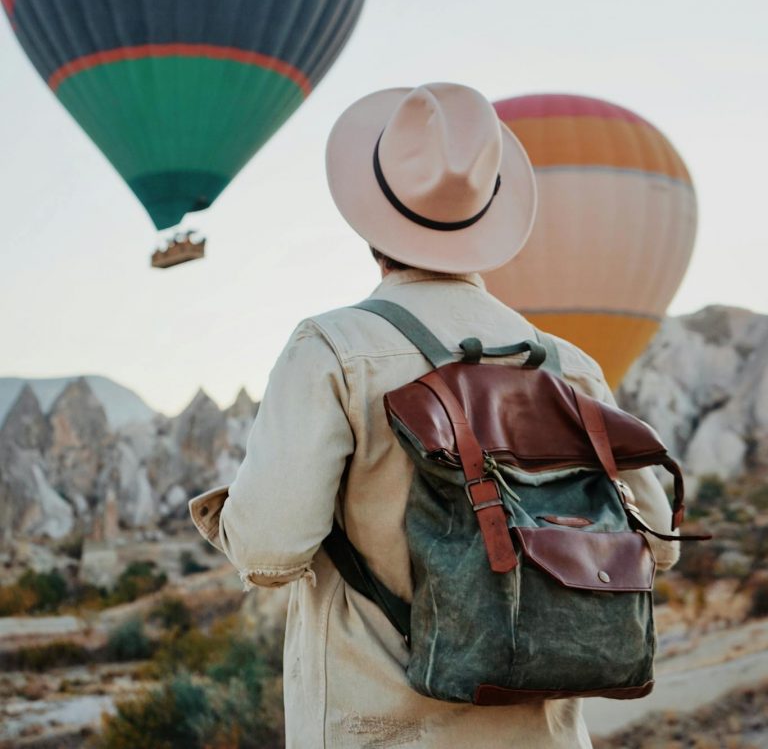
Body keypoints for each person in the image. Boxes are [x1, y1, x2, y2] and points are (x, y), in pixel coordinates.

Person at [190, 82, 679, 749]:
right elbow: (662, 543)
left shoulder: (333, 350)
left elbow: (271, 549)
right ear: (489, 218)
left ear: (369, 223)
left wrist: (226, 512)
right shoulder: (569, 367)